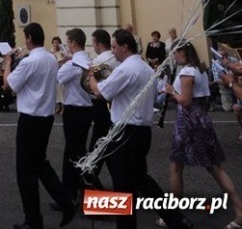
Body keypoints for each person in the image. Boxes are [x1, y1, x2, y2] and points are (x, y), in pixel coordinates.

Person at [87, 28, 191, 229]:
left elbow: (101, 92)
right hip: (143, 131)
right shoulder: (146, 68)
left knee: (123, 185)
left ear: (125, 47)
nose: (113, 51)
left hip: (125, 132)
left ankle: (128, 226)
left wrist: (91, 75)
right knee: (141, 179)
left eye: (115, 47)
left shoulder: (126, 69)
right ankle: (176, 219)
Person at [3, 22, 76, 229]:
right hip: (46, 117)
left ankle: (33, 220)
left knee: (25, 172)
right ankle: (66, 201)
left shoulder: (29, 62)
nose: (23, 40)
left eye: (25, 37)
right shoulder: (50, 59)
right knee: (40, 164)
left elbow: (9, 84)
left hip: (30, 119)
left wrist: (8, 63)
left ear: (28, 38)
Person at [162, 40, 242, 227]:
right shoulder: (199, 69)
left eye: (176, 52)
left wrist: (170, 91)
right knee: (200, 166)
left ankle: (173, 216)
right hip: (198, 120)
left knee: (188, 167)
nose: (174, 56)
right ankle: (173, 215)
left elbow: (185, 101)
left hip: (189, 123)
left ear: (183, 52)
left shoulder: (187, 72)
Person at [57, 28, 92, 204]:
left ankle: (71, 194)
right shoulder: (89, 60)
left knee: (72, 155)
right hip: (87, 110)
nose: (67, 46)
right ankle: (78, 191)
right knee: (79, 151)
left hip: (74, 111)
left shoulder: (73, 65)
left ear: (74, 43)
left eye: (68, 42)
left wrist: (61, 62)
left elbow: (58, 77)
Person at [87, 29, 117, 187]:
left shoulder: (97, 62)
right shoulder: (116, 58)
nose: (93, 46)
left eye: (93, 43)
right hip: (115, 105)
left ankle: (89, 184)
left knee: (97, 148)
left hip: (101, 105)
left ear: (98, 43)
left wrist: (89, 74)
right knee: (109, 147)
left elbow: (92, 88)